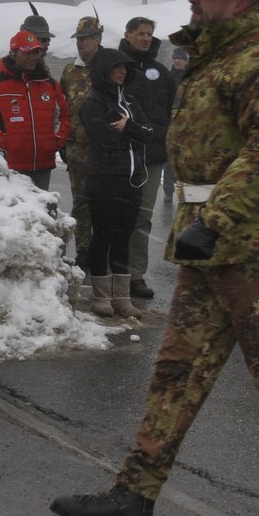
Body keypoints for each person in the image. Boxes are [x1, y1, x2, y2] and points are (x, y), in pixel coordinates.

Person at [51, 0, 259, 516]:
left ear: (237, 1)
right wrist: (201, 225)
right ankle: (134, 499)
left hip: (252, 243)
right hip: (206, 244)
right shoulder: (215, 57)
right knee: (176, 373)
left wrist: (216, 216)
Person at [78, 47, 152, 318]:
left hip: (131, 182)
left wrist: (129, 128)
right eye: (116, 67)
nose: (122, 71)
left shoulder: (129, 100)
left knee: (124, 237)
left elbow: (150, 132)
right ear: (104, 70)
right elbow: (103, 138)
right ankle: (101, 297)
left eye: (125, 67)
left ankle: (121, 298)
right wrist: (133, 132)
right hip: (104, 180)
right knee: (103, 237)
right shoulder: (94, 101)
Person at [0, 30, 69, 189]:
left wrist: (55, 141)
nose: (33, 57)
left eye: (36, 52)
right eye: (27, 52)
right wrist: (4, 142)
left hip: (43, 165)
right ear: (13, 53)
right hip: (10, 165)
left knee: (42, 211)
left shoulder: (49, 84)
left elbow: (65, 117)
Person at [122, 17, 177, 300]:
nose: (145, 38)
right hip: (120, 153)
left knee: (142, 216)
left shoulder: (160, 72)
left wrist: (163, 135)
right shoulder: (115, 66)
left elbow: (172, 110)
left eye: (149, 34)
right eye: (140, 33)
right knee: (115, 214)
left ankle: (135, 275)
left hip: (152, 155)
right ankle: (110, 273)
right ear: (127, 34)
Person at [60, 16, 104, 272]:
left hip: (103, 147)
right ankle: (85, 250)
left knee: (103, 201)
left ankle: (102, 249)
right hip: (76, 146)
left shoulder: (109, 66)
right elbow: (62, 106)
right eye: (78, 40)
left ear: (97, 39)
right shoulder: (69, 71)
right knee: (81, 201)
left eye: (85, 39)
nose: (80, 44)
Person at [160, 46, 189, 205]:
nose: (178, 61)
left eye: (181, 58)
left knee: (185, 160)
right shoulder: (167, 78)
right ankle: (168, 192)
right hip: (169, 124)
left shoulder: (191, 79)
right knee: (169, 160)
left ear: (185, 61)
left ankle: (186, 192)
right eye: (176, 58)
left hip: (187, 126)